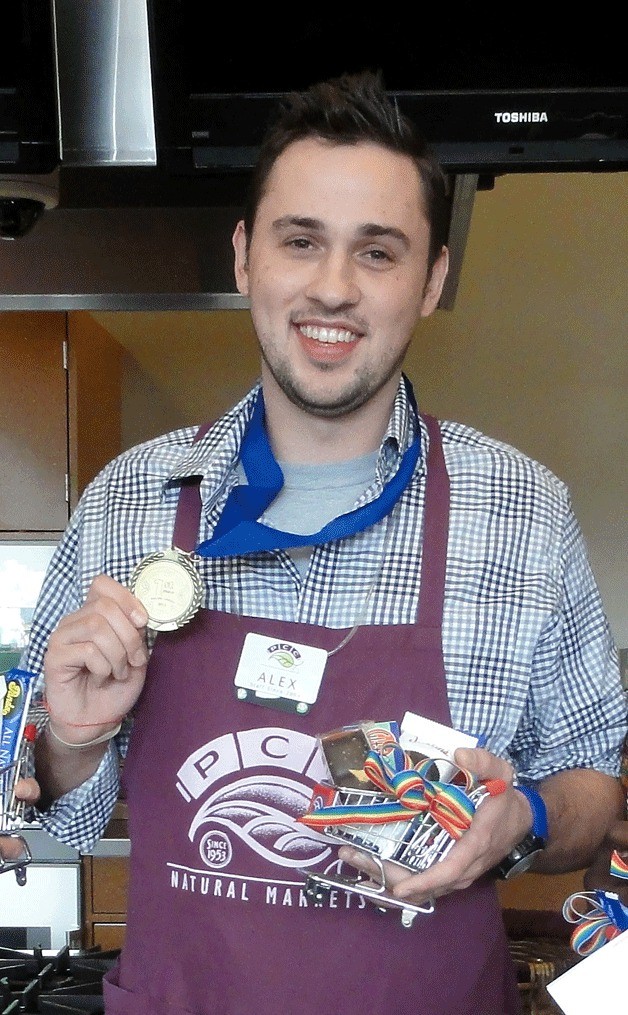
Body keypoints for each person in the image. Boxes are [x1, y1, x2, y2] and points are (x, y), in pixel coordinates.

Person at [22, 70, 626, 1014]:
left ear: (431, 281)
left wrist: (527, 816)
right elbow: (35, 810)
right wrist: (69, 738)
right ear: (244, 257)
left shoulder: (522, 513)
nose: (333, 289)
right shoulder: (127, 504)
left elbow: (597, 779)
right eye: (300, 241)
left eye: (377, 253)